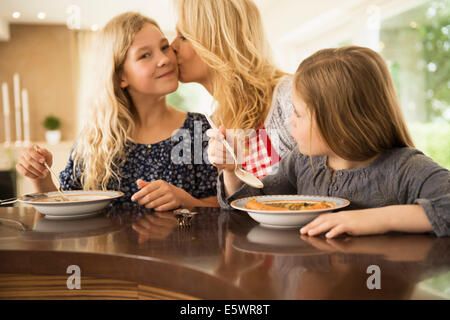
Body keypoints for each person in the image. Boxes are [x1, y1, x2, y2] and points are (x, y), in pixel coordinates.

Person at [210, 45, 450, 238]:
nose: (289, 122)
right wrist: (232, 170)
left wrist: (376, 219)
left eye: (299, 114)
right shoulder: (303, 162)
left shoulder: (405, 168)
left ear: (341, 123)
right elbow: (251, 203)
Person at [16, 12, 218, 210]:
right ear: (121, 76)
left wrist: (184, 200)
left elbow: (222, 211)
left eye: (164, 47)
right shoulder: (96, 137)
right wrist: (40, 179)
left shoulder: (199, 129)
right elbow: (67, 204)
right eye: (145, 55)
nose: (164, 59)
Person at [171, 0, 297, 180]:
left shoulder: (289, 95)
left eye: (183, 37)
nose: (172, 46)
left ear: (216, 42)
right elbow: (233, 202)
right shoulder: (218, 119)